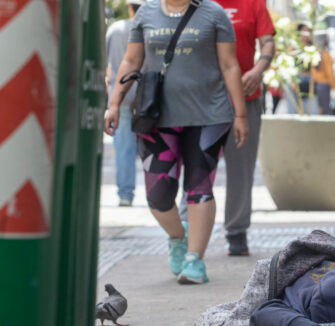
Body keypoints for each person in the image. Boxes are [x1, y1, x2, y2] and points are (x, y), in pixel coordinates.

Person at [105, 0, 249, 284]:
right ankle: (178, 237)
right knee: (158, 195)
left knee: (199, 187)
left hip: (209, 114)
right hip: (156, 116)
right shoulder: (146, 13)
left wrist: (240, 114)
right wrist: (114, 102)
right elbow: (131, 61)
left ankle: (195, 259)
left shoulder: (214, 13)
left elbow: (230, 65)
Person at [211, 0, 275, 256]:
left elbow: (267, 41)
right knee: (197, 168)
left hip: (247, 97)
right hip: (204, 100)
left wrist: (258, 70)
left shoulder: (254, 3)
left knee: (241, 169)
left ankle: (236, 231)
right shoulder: (199, 4)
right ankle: (187, 232)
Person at [105, 0, 144, 207]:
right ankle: (157, 193)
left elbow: (109, 64)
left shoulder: (114, 29)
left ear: (130, 8)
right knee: (151, 146)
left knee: (123, 148)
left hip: (118, 95)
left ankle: (125, 194)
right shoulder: (148, 29)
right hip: (144, 95)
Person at [311, 37, 335, 114]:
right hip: (324, 84)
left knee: (317, 109)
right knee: (326, 111)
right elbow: (330, 73)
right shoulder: (325, 54)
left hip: (315, 84)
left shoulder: (314, 54)